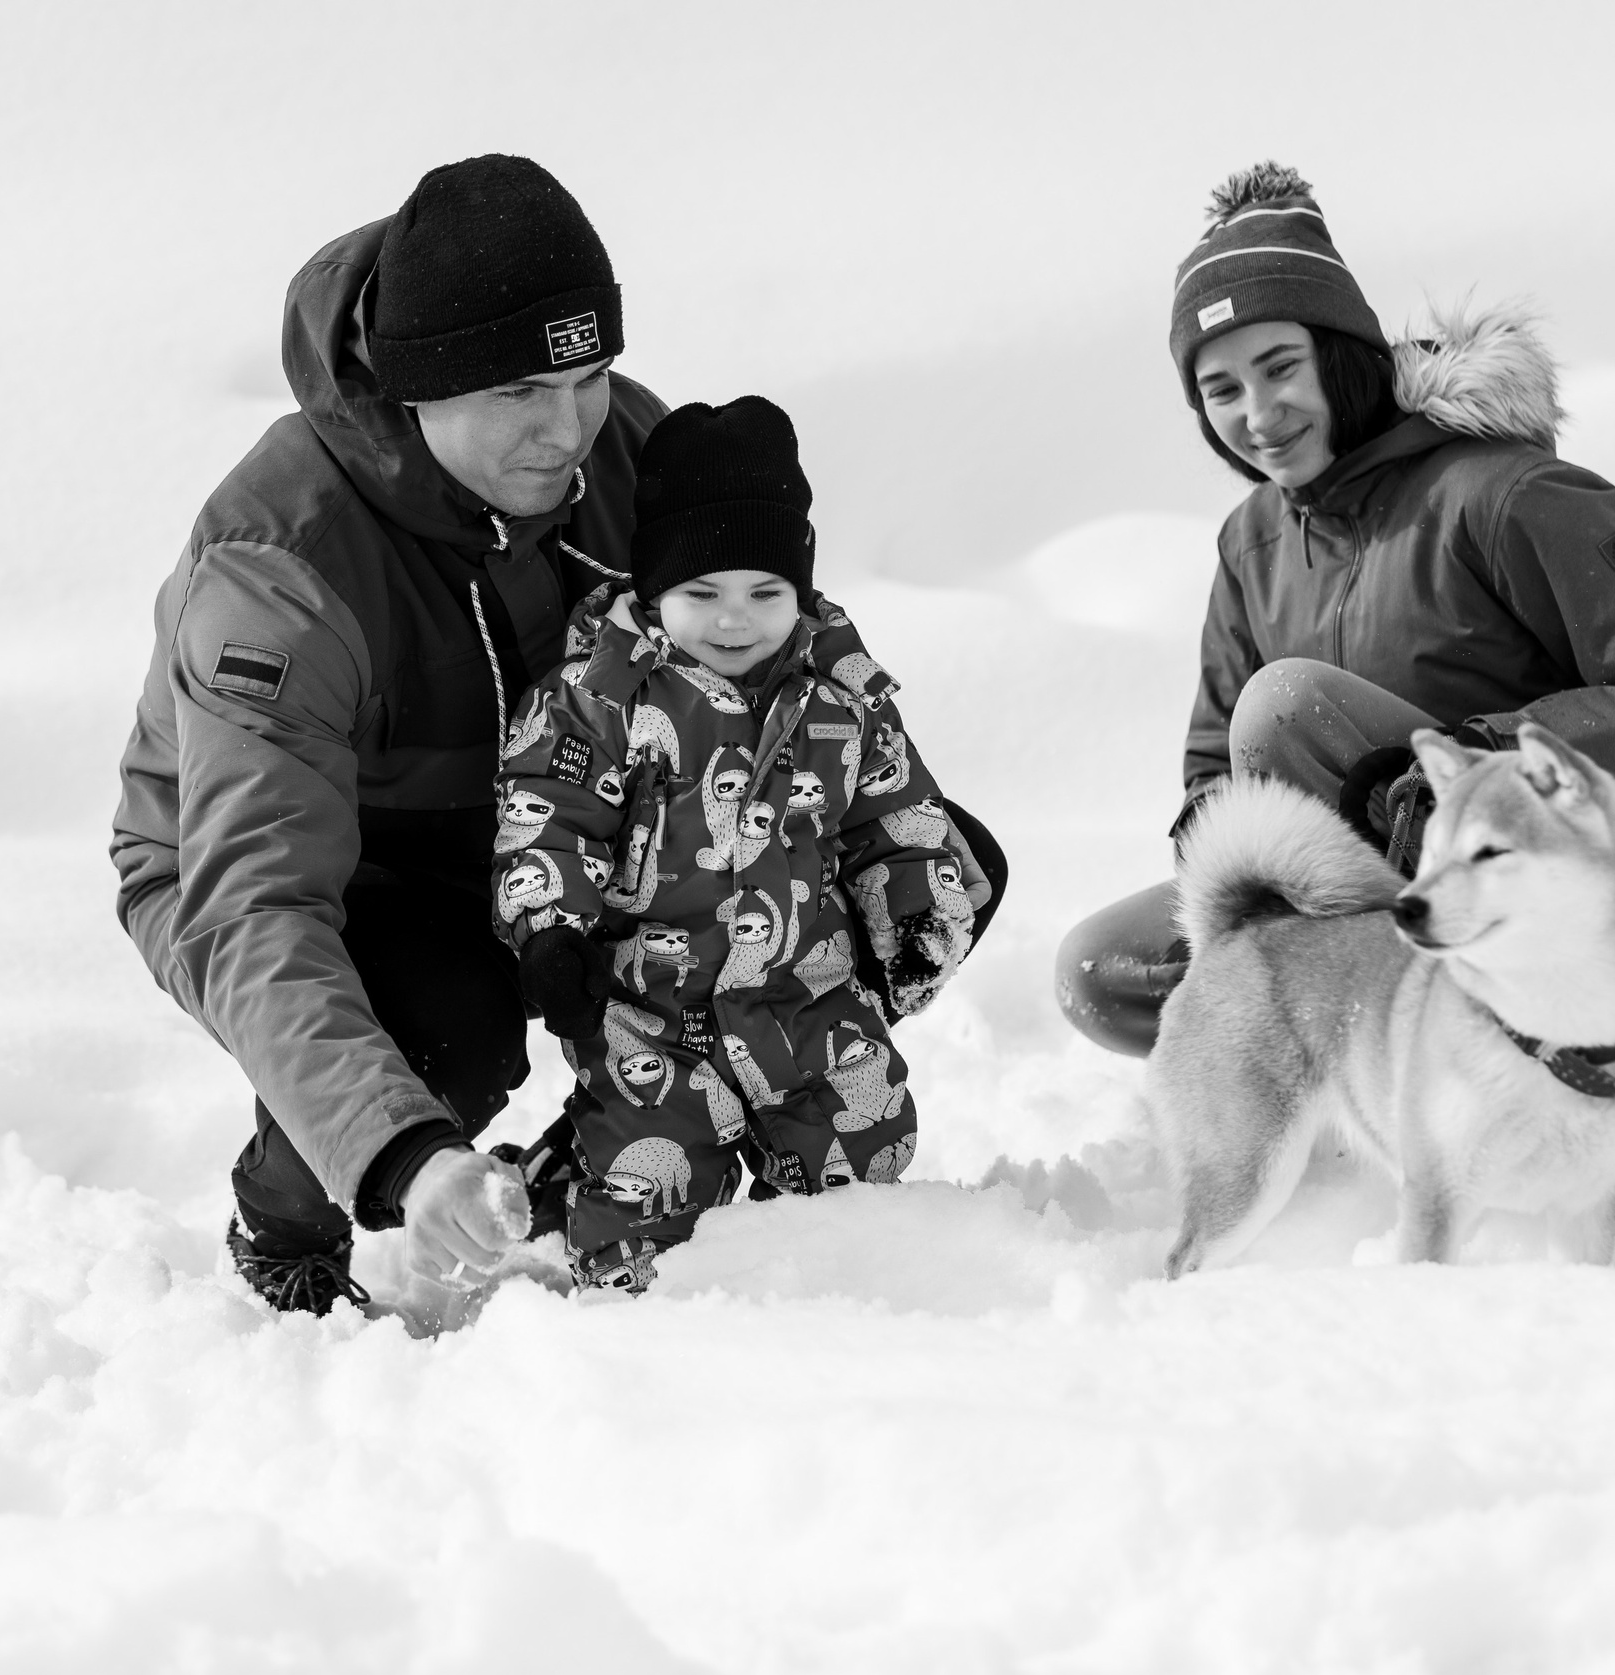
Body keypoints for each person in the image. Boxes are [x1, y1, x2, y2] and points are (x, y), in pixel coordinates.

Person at [112, 157, 1002, 1313]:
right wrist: (402, 1153)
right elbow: (255, 906)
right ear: (418, 389)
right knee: (453, 1033)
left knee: (929, 866)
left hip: (568, 803)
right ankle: (290, 1212)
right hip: (307, 862)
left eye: (587, 377)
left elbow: (768, 639)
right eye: (520, 391)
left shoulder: (620, 448)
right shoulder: (282, 573)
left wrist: (866, 849)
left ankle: (651, 1131)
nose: (566, 428)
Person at [1055, 162, 1615, 1056]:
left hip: (1581, 867)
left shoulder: (1505, 495)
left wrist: (1481, 763)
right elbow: (1215, 773)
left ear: (1339, 355)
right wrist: (1240, 897)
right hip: (1377, 893)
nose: (1260, 412)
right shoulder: (1251, 546)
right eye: (1223, 389)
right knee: (1105, 970)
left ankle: (1441, 1042)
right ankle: (1369, 1060)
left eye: (1280, 367)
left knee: (1287, 707)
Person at [492, 397, 979, 1293]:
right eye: (702, 594)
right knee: (647, 1210)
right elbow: (549, 822)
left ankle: (819, 1301)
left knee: (862, 1156)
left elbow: (897, 815)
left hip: (808, 993)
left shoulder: (842, 697)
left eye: (765, 593)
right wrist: (552, 933)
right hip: (652, 1011)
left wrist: (917, 915)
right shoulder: (600, 700)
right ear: (654, 588)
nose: (734, 620)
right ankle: (586, 1219)